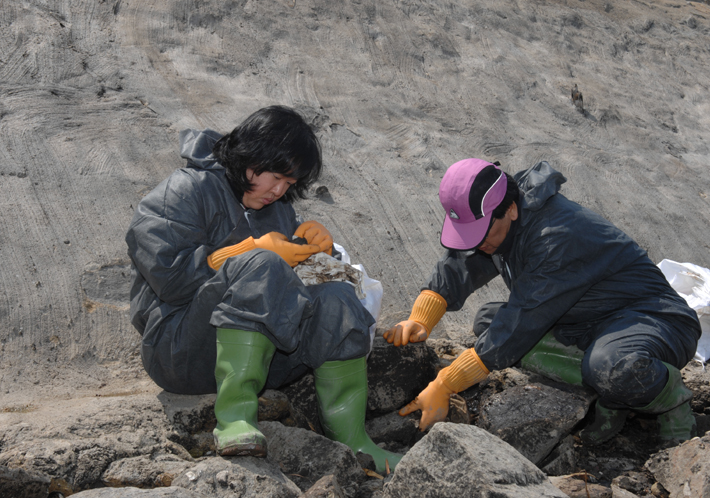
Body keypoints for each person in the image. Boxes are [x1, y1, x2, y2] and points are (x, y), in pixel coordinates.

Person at [126, 105, 401, 472]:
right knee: (263, 264)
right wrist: (247, 252)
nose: (279, 191)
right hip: (179, 351)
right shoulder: (184, 191)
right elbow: (169, 280)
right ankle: (235, 420)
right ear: (250, 157)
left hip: (265, 360)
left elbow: (298, 287)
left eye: (290, 184)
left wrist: (323, 251)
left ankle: (353, 439)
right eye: (276, 177)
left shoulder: (278, 209)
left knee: (336, 292)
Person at [384, 158, 701, 444]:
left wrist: (447, 382)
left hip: (652, 318)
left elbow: (522, 320)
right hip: (584, 319)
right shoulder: (502, 219)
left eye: (481, 233)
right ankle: (608, 393)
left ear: (510, 209)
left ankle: (670, 399)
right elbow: (459, 265)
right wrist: (420, 317)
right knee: (488, 323)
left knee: (608, 366)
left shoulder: (556, 236)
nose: (476, 244)